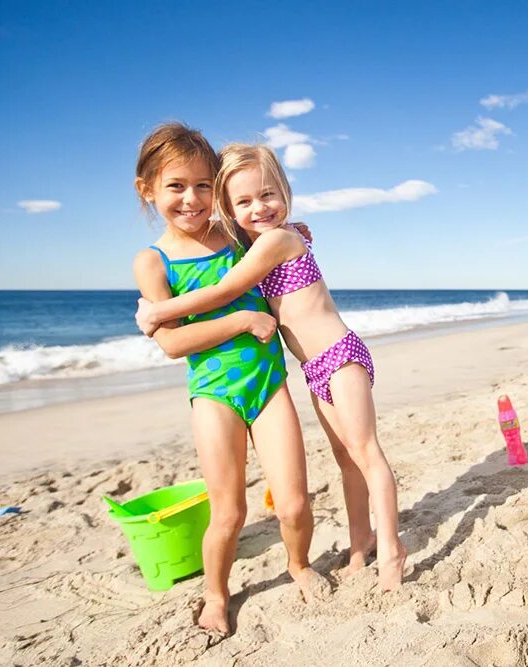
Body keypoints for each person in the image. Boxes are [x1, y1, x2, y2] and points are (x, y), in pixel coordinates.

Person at [135, 143, 407, 590]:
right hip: (312, 367)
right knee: (346, 460)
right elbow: (235, 249)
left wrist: (157, 311)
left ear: (284, 190)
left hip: (338, 355)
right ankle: (362, 544)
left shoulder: (275, 240)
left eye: (268, 196)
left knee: (365, 453)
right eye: (243, 201)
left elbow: (225, 289)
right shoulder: (255, 239)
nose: (258, 208)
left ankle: (392, 549)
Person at [131, 124, 326, 636]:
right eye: (176, 186)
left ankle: (299, 563)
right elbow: (171, 342)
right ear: (147, 190)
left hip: (267, 383)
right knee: (230, 512)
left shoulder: (235, 233)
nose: (192, 199)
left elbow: (272, 230)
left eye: (202, 185)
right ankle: (216, 594)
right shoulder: (153, 260)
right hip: (214, 394)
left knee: (294, 502)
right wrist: (242, 321)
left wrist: (294, 228)